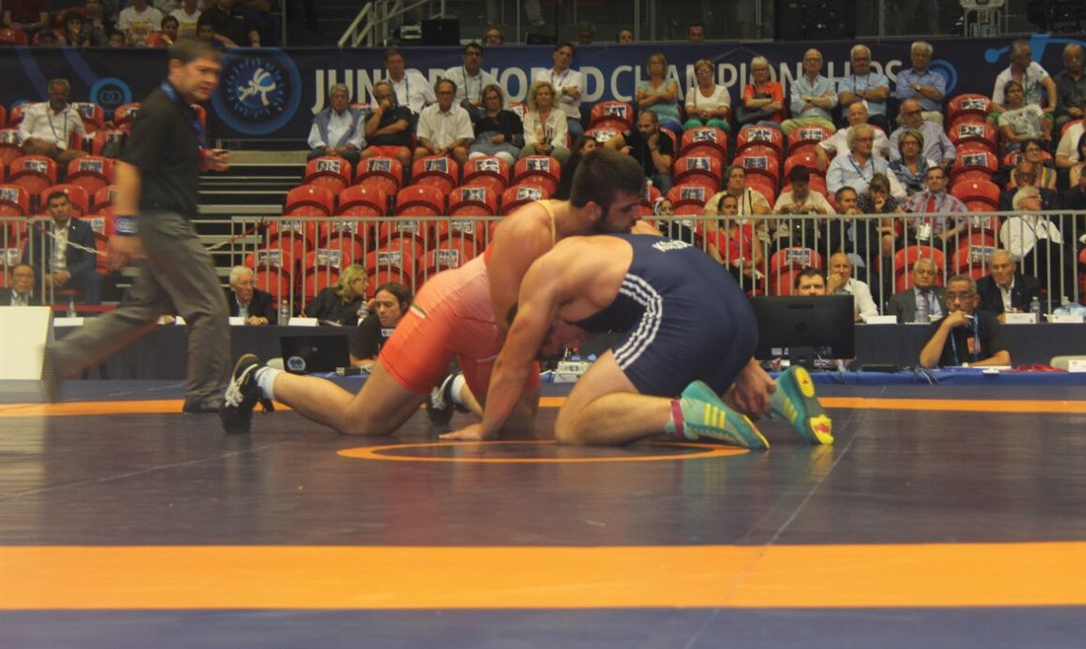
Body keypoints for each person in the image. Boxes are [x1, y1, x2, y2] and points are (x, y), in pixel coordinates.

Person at [221, 152, 648, 436]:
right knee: (365, 422)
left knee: (517, 430)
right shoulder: (529, 230)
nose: (635, 219)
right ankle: (259, 378)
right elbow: (511, 333)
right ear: (594, 209)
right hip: (451, 313)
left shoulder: (607, 231)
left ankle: (451, 387)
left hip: (495, 335)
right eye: (628, 210)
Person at [440, 232, 833, 448]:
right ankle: (778, 394)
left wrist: (486, 429)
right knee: (641, 401)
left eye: (558, 343)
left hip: (687, 310)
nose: (573, 346)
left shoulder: (549, 282)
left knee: (573, 424)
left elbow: (510, 365)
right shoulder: (615, 243)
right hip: (737, 310)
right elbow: (688, 274)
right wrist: (745, 363)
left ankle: (689, 412)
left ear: (549, 320)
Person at [43, 40, 232, 413]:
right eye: (203, 71)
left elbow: (164, 160)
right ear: (176, 67)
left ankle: (62, 358)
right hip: (164, 224)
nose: (211, 79)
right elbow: (129, 167)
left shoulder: (181, 110)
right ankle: (206, 394)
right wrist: (124, 229)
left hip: (160, 221)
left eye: (215, 72)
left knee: (142, 311)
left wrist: (204, 160)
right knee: (209, 308)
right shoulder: (159, 110)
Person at [24, 189, 101, 306]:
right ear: (49, 210)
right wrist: (43, 276)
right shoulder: (39, 228)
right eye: (55, 206)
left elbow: (90, 261)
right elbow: (28, 257)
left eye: (63, 204)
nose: (60, 209)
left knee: (94, 278)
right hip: (45, 275)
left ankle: (92, 316)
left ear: (70, 206)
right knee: (22, 275)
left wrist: (68, 273)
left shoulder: (83, 228)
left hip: (72, 276)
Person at [919, 275, 1011, 368]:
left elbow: (1004, 360)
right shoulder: (937, 326)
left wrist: (966, 367)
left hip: (978, 376)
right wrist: (946, 325)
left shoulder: (987, 322)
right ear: (947, 301)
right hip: (948, 377)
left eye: (964, 296)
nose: (957, 302)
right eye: (951, 296)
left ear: (975, 300)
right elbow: (926, 363)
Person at [1000, 185, 1066, 299]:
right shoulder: (1012, 223)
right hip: (1025, 266)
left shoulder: (1049, 224)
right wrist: (1036, 251)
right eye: (1034, 197)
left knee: (1063, 256)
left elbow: (1060, 248)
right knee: (1043, 244)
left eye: (1039, 197)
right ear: (1021, 203)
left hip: (1051, 267)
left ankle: (1065, 300)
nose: (1040, 200)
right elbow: (1013, 251)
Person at [18, 78, 87, 165]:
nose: (59, 97)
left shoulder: (73, 115)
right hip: (38, 146)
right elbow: (22, 129)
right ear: (49, 94)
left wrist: (100, 131)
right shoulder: (36, 109)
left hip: (60, 151)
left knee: (84, 156)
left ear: (67, 95)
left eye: (63, 94)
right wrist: (30, 138)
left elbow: (84, 136)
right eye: (56, 94)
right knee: (39, 148)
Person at [827, 125, 905, 198]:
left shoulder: (882, 163)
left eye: (870, 139)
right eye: (863, 140)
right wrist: (853, 195)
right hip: (849, 202)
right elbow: (833, 188)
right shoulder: (839, 162)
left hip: (877, 201)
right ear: (853, 142)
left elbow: (895, 189)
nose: (868, 143)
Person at [706, 192, 764, 292]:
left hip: (750, 274)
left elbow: (759, 256)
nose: (732, 210)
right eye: (728, 207)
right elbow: (718, 263)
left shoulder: (749, 229)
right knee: (727, 270)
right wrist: (738, 269)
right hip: (727, 276)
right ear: (719, 212)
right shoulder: (713, 237)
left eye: (734, 207)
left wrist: (748, 265)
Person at [349, 282, 413, 367]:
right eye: (378, 305)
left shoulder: (416, 326)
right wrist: (383, 366)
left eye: (388, 305)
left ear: (403, 306)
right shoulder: (369, 324)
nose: (381, 310)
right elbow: (355, 361)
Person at [533, 42, 584, 144]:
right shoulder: (542, 74)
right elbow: (540, 95)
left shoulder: (577, 76)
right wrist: (564, 90)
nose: (564, 57)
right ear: (554, 55)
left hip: (568, 118)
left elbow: (573, 96)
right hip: (544, 117)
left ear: (571, 60)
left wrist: (549, 95)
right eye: (561, 53)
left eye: (568, 55)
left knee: (579, 133)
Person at [416, 79, 475, 165]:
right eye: (442, 93)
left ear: (454, 95)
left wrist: (448, 149)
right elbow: (423, 137)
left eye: (448, 93)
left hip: (453, 150)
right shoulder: (426, 112)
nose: (445, 96)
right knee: (419, 152)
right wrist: (433, 149)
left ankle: (465, 174)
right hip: (432, 150)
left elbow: (463, 138)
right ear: (436, 95)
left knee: (460, 151)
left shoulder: (462, 113)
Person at [362, 79, 419, 166]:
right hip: (377, 147)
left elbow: (401, 126)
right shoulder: (372, 115)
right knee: (365, 154)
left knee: (404, 155)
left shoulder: (403, 110)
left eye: (388, 95)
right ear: (377, 99)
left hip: (399, 147)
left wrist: (378, 132)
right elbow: (369, 132)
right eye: (382, 97)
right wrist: (380, 110)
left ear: (393, 95)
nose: (386, 99)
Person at [991, 39, 1057, 113]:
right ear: (1016, 58)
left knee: (1048, 118)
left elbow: (1050, 84)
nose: (1031, 58)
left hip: (1035, 113)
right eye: (1027, 55)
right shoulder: (1002, 78)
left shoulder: (1034, 67)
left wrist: (1052, 106)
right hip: (1012, 115)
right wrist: (1010, 114)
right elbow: (995, 106)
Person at [975, 249, 1042, 321]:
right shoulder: (981, 287)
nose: (1000, 271)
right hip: (994, 327)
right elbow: (978, 315)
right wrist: (997, 318)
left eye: (1004, 266)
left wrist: (1021, 317)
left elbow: (1040, 313)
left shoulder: (1031, 285)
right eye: (995, 267)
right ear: (990, 269)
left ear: (1014, 267)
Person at [1053, 44, 1086, 131]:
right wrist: (1068, 110)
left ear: (1083, 58)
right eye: (1070, 58)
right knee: (1061, 121)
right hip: (1069, 115)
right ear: (1065, 61)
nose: (1074, 60)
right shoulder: (1058, 79)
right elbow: (1056, 104)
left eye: (1077, 57)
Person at [307, 83, 365, 164]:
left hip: (347, 151)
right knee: (313, 155)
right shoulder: (321, 117)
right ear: (331, 100)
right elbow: (314, 138)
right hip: (326, 151)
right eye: (336, 97)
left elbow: (360, 137)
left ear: (348, 99)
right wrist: (326, 149)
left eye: (343, 97)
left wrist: (347, 148)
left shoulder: (357, 116)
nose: (340, 100)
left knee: (351, 155)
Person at [781, 48, 837, 133]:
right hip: (800, 120)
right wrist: (821, 99)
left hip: (822, 120)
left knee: (831, 128)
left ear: (821, 64)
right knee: (785, 125)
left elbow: (831, 103)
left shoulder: (829, 83)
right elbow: (795, 105)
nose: (812, 62)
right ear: (804, 64)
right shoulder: (796, 84)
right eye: (809, 60)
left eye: (816, 60)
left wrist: (808, 99)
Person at [442, 42, 500, 123]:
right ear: (463, 58)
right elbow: (444, 100)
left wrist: (481, 104)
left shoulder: (490, 80)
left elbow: (501, 104)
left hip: (482, 120)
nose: (474, 57)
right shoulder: (451, 75)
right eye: (470, 54)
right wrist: (471, 104)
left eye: (477, 54)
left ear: (482, 59)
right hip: (455, 118)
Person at [837, 45, 890, 130]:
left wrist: (858, 94)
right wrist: (872, 93)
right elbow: (845, 100)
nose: (861, 62)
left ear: (869, 61)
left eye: (864, 59)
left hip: (875, 116)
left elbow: (882, 94)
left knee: (880, 121)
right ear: (852, 62)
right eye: (858, 60)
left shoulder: (881, 78)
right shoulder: (845, 81)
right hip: (852, 117)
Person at [889, 99, 955, 168]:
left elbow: (950, 148)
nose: (915, 116)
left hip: (936, 170)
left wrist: (944, 163)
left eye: (917, 112)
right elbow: (895, 160)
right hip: (909, 172)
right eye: (911, 113)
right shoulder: (895, 136)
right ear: (903, 116)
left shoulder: (935, 127)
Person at [469, 83, 523, 165]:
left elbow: (522, 139)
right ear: (485, 101)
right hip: (481, 147)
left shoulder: (511, 116)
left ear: (500, 99)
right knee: (475, 157)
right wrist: (479, 103)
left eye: (495, 98)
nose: (493, 101)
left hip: (505, 148)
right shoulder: (479, 116)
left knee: (500, 158)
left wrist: (505, 137)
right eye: (489, 99)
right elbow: (464, 105)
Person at [520, 79, 570, 165]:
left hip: (555, 148)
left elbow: (561, 135)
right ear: (535, 98)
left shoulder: (560, 114)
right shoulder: (528, 116)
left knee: (559, 153)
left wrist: (551, 146)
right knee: (527, 150)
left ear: (552, 97)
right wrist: (537, 146)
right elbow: (528, 136)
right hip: (536, 147)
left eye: (546, 94)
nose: (543, 96)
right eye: (540, 94)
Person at [894, 41, 947, 122]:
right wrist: (928, 93)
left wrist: (918, 88)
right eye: (917, 55)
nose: (920, 58)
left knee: (937, 116)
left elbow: (940, 95)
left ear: (929, 58)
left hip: (931, 113)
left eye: (924, 55)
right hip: (908, 113)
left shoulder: (937, 77)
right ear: (911, 57)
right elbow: (901, 94)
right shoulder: (903, 75)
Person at [303, 264, 368, 326]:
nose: (367, 285)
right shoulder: (328, 294)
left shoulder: (362, 304)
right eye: (364, 280)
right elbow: (307, 316)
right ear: (352, 281)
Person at [997, 81, 1051, 155]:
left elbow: (1044, 130)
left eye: (1019, 91)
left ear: (1023, 94)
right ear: (1006, 97)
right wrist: (1032, 136)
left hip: (1037, 142)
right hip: (1017, 145)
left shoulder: (1034, 108)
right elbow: (1012, 138)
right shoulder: (1003, 116)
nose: (1016, 94)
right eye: (1012, 91)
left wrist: (1045, 134)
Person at [887, 257, 946, 324]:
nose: (925, 276)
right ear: (913, 275)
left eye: (930, 273)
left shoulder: (946, 295)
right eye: (921, 272)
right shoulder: (898, 299)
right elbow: (891, 326)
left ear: (935, 278)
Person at [635, 52, 682, 135]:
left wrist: (647, 94)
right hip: (646, 122)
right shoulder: (642, 84)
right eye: (653, 63)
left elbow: (669, 96)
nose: (656, 65)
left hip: (668, 119)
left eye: (659, 63)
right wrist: (660, 95)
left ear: (664, 67)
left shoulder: (671, 82)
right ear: (649, 67)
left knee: (662, 133)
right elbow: (641, 103)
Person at [826, 251, 878, 322]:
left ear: (850, 270)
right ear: (829, 269)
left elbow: (873, 313)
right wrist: (829, 290)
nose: (841, 271)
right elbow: (818, 312)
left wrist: (855, 319)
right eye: (837, 266)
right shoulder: (820, 284)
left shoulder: (860, 287)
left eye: (845, 266)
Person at [682, 58, 731, 131]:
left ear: (712, 73)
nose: (704, 75)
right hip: (696, 119)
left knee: (712, 123)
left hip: (718, 120)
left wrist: (712, 112)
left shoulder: (722, 90)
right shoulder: (691, 91)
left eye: (707, 71)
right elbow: (689, 109)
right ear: (697, 76)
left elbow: (723, 110)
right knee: (694, 124)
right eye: (700, 73)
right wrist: (699, 111)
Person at [384, 46, 436, 114]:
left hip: (418, 118)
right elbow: (375, 109)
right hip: (393, 118)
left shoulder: (418, 79)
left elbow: (433, 103)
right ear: (386, 64)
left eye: (399, 61)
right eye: (392, 62)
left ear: (403, 62)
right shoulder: (382, 86)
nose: (396, 65)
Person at [738, 56, 784, 126]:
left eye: (763, 69)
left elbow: (778, 106)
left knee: (761, 124)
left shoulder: (777, 86)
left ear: (768, 71)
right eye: (757, 70)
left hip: (773, 121)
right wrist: (770, 100)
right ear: (752, 73)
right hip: (753, 121)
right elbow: (749, 103)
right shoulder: (749, 88)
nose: (760, 72)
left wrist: (757, 105)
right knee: (745, 127)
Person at [889, 128, 932, 196]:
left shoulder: (930, 165)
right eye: (907, 143)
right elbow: (897, 193)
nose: (910, 146)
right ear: (901, 147)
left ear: (920, 146)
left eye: (913, 143)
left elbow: (935, 188)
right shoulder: (893, 168)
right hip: (903, 202)